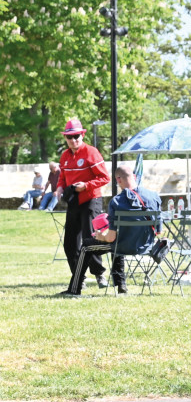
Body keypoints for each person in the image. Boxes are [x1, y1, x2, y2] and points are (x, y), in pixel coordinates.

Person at [62, 163, 163, 297]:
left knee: (88, 245)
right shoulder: (154, 196)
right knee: (119, 240)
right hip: (146, 245)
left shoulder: (116, 202)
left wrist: (99, 236)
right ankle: (121, 285)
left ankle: (74, 289)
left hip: (122, 246)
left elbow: (110, 238)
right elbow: (159, 230)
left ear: (118, 180)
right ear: (134, 176)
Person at [54, 118, 111, 292]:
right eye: (70, 137)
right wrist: (59, 188)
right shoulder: (64, 155)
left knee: (91, 239)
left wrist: (86, 186)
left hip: (90, 200)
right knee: (70, 243)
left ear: (82, 135)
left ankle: (99, 273)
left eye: (77, 136)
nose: (73, 140)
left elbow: (105, 178)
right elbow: (63, 176)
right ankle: (79, 277)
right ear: (65, 138)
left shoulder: (91, 152)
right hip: (73, 201)